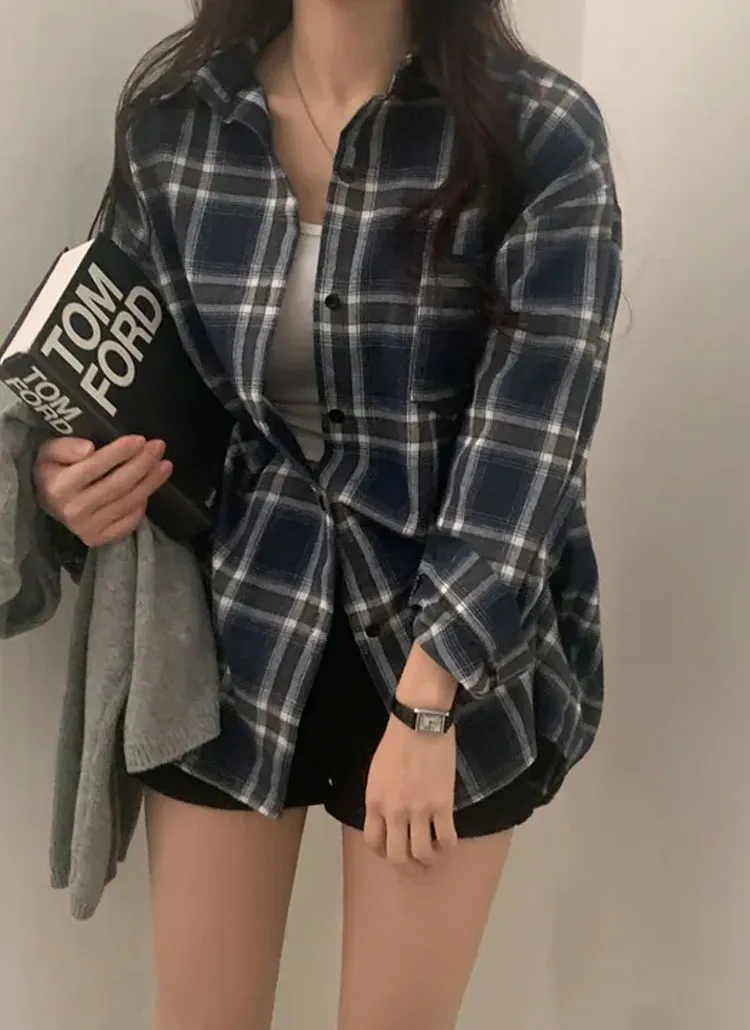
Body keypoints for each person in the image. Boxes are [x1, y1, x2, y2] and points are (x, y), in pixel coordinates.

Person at [33, 1, 622, 1027]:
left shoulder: (537, 131)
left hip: (448, 635)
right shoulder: (178, 123)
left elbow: (532, 436)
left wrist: (430, 702)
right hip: (235, 624)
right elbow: (127, 357)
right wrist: (70, 476)